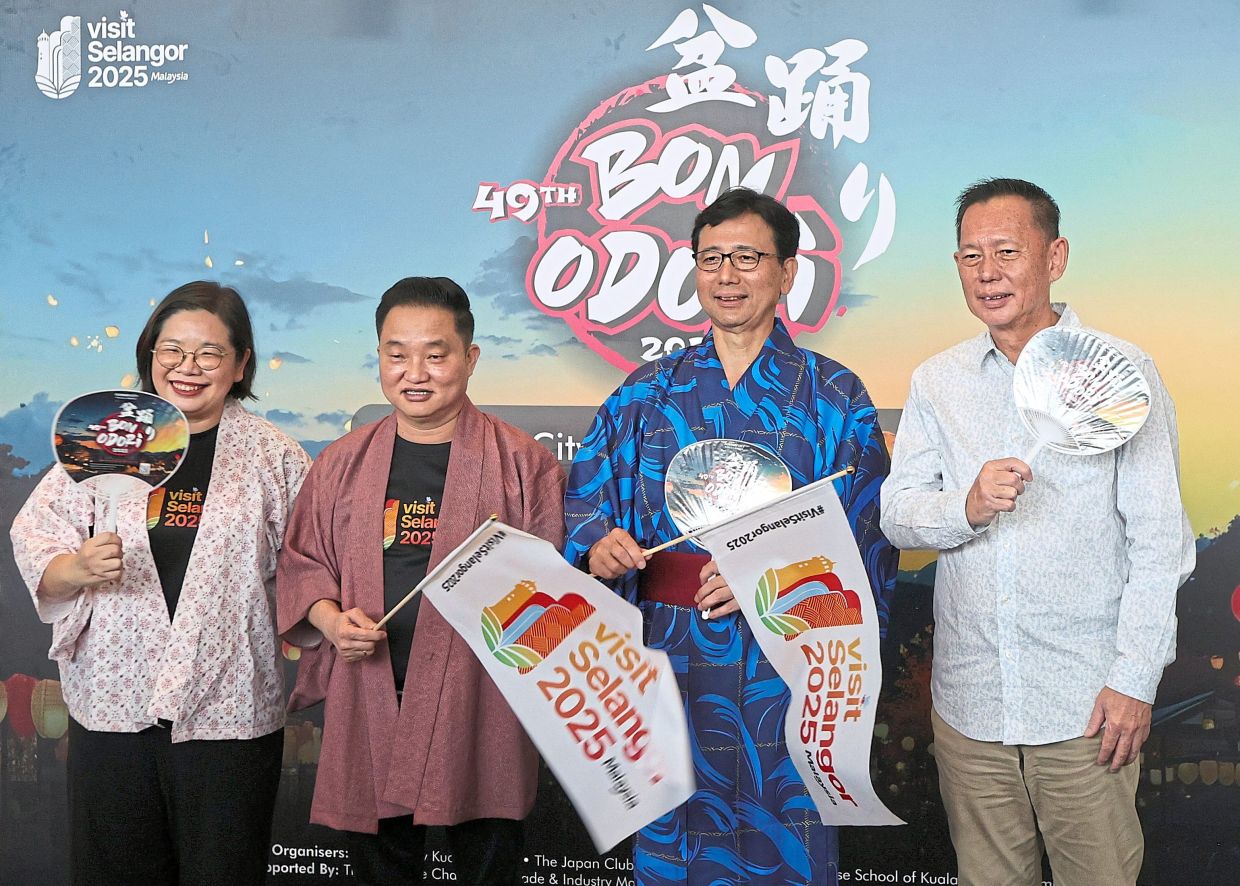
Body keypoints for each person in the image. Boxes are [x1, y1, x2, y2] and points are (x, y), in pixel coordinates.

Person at [563, 188, 897, 885]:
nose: (727, 275)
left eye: (747, 257)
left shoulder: (834, 396)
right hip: (666, 659)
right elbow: (585, 503)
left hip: (790, 661)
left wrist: (768, 575)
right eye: (711, 258)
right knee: (676, 838)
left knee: (790, 836)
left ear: (787, 272)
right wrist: (599, 544)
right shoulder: (644, 393)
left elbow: (869, 531)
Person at [880, 178, 1195, 886]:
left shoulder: (1122, 373)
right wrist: (965, 505)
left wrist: (1133, 680)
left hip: (1086, 708)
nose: (987, 273)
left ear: (1055, 257)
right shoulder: (939, 381)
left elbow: (1159, 546)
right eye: (969, 256)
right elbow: (897, 512)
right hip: (970, 708)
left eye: (1006, 252)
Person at [10, 281, 311, 886]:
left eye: (209, 354)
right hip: (114, 703)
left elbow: (311, 561)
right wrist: (75, 569)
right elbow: (37, 533)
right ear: (149, 354)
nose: (187, 368)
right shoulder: (105, 439)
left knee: (225, 871)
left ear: (241, 363)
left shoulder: (274, 456)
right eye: (171, 350)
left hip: (228, 708)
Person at [276, 276, 566, 886]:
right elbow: (303, 561)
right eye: (396, 353)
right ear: (379, 356)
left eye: (436, 354)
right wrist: (330, 620)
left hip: (483, 694)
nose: (415, 372)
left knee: (488, 857)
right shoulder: (343, 461)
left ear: (470, 358)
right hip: (373, 686)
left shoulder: (522, 462)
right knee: (380, 866)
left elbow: (555, 579)